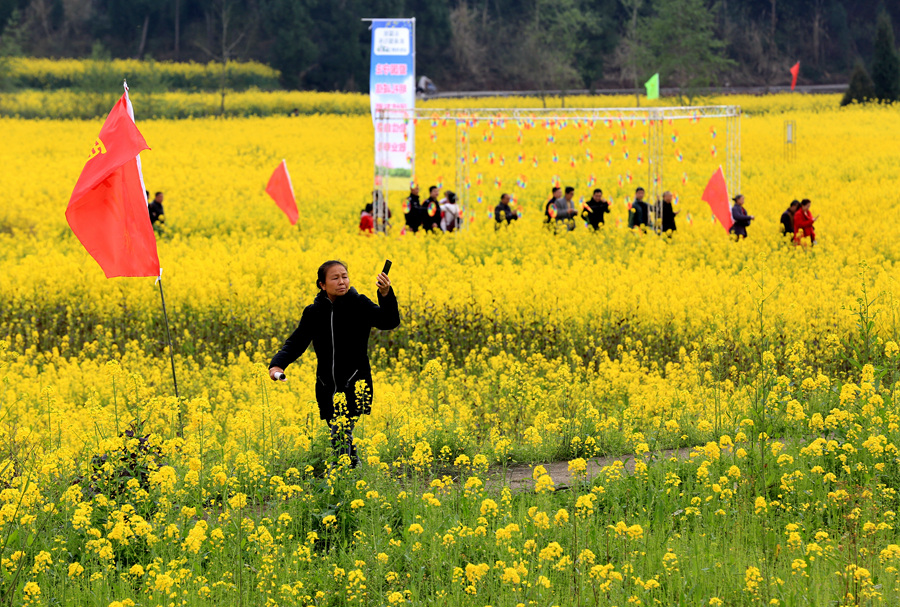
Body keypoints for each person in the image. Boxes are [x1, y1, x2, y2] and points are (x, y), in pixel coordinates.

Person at [268, 261, 400, 467]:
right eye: (335, 278)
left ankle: (341, 477)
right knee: (340, 434)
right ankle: (353, 469)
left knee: (341, 433)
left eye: (345, 276)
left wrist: (385, 294)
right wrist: (277, 365)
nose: (342, 282)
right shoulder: (314, 312)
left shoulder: (359, 304)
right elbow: (297, 342)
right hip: (326, 384)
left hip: (355, 382)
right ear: (322, 284)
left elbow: (389, 321)